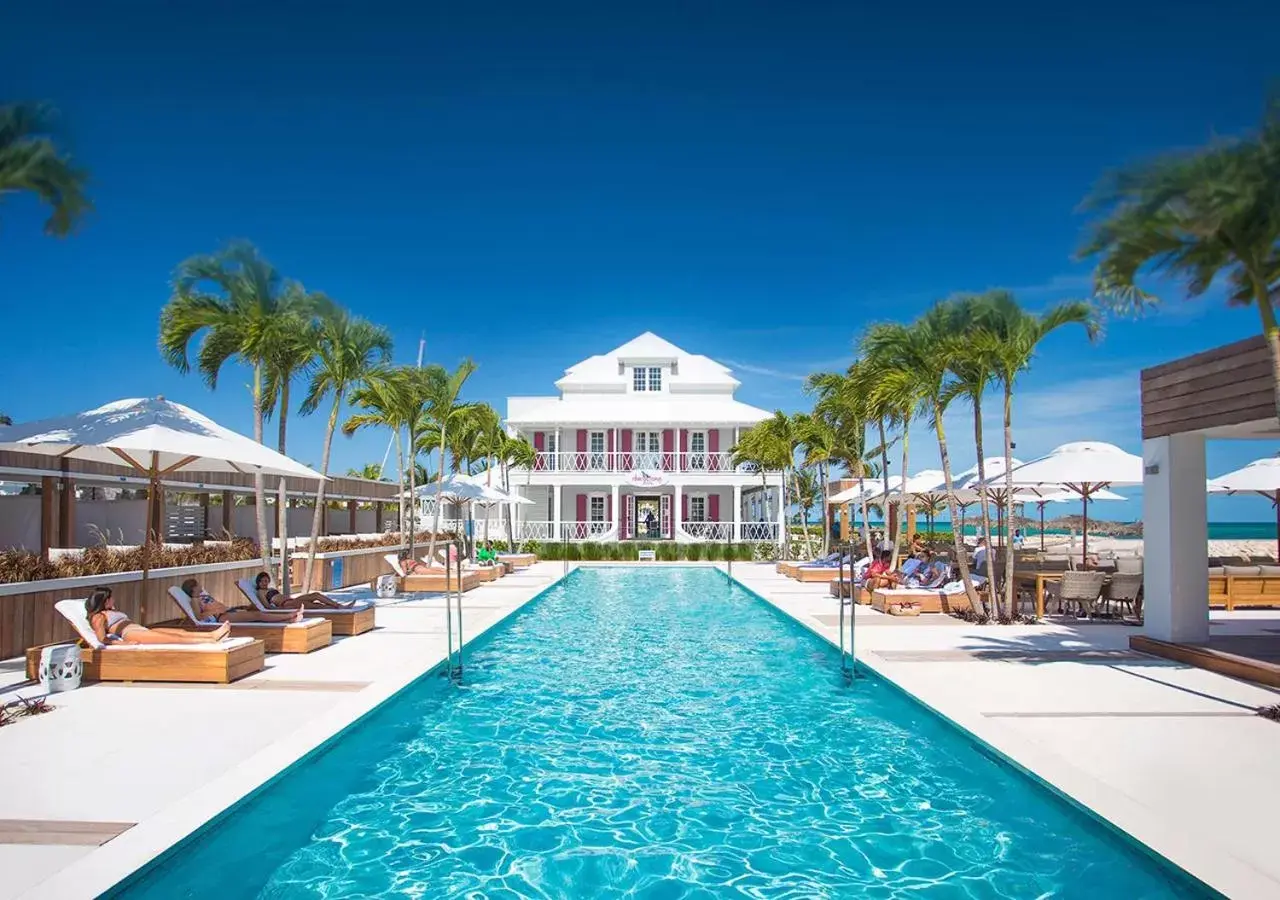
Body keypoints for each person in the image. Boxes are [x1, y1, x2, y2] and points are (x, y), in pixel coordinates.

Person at [86, 586, 231, 645]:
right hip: (130, 634)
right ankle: (211, 639)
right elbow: (102, 639)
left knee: (181, 632)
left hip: (141, 630)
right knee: (174, 639)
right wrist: (123, 644)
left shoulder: (110, 611)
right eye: (111, 598)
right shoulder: (98, 617)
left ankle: (212, 635)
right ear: (105, 600)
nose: (114, 599)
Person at [181, 578, 301, 624]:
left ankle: (289, 618)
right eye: (198, 584)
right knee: (257, 615)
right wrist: (215, 611)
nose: (201, 585)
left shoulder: (202, 596)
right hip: (222, 617)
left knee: (253, 609)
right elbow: (198, 616)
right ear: (194, 588)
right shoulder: (194, 600)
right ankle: (290, 616)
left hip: (227, 612)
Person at [253, 572, 353, 610]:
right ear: (258, 582)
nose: (264, 583)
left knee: (316, 595)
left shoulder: (270, 589)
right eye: (261, 581)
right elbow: (266, 606)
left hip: (292, 600)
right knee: (314, 606)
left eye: (266, 580)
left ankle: (338, 605)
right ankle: (339, 608)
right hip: (286, 604)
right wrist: (278, 611)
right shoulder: (260, 592)